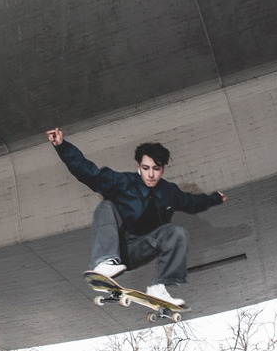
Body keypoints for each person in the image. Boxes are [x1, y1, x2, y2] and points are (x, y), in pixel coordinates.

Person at [46, 128, 227, 307]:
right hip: (117, 248)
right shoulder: (123, 182)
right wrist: (62, 146)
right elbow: (89, 172)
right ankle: (104, 262)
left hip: (140, 250)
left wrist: (215, 198)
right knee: (106, 206)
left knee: (177, 232)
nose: (151, 175)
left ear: (163, 169)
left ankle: (159, 287)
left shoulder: (169, 191)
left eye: (156, 169)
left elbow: (192, 202)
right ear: (139, 167)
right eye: (145, 168)